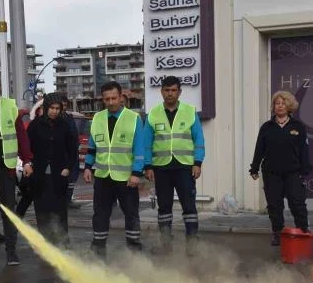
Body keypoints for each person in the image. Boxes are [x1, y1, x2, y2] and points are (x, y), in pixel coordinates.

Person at [144, 76, 206, 254]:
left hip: (185, 167)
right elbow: (147, 143)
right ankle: (166, 244)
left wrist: (198, 162)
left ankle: (192, 244)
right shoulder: (153, 114)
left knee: (189, 206)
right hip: (161, 168)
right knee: (164, 207)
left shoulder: (189, 112)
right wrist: (148, 166)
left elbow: (199, 140)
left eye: (173, 90)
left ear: (179, 91)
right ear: (161, 91)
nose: (170, 93)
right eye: (166, 90)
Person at [83, 81, 146, 254]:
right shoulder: (97, 118)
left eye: (114, 98)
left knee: (131, 213)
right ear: (102, 99)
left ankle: (134, 250)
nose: (110, 102)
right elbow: (92, 146)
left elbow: (140, 149)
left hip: (126, 178)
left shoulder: (134, 118)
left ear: (121, 98)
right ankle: (98, 249)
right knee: (100, 214)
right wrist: (88, 166)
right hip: (103, 176)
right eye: (107, 99)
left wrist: (136, 173)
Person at [0, 70, 33, 265]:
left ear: (0, 88)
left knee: (8, 211)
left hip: (5, 168)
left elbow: (21, 136)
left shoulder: (10, 107)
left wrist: (27, 160)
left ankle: (11, 251)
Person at [249, 91, 311, 245]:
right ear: (273, 107)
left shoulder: (298, 127)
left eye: (283, 103)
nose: (280, 106)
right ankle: (278, 233)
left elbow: (304, 150)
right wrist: (254, 168)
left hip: (293, 173)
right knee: (274, 205)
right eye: (277, 103)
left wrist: (305, 170)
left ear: (289, 106)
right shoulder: (266, 127)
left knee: (297, 203)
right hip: (271, 173)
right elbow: (259, 149)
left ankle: (303, 231)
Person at [26, 92, 78, 245]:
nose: (55, 111)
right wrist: (29, 164)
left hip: (59, 175)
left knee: (60, 210)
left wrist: (68, 168)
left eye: (58, 108)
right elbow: (27, 148)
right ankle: (45, 242)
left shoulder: (65, 125)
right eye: (52, 108)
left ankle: (63, 241)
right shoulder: (35, 125)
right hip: (40, 176)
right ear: (46, 107)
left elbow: (72, 149)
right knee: (42, 210)